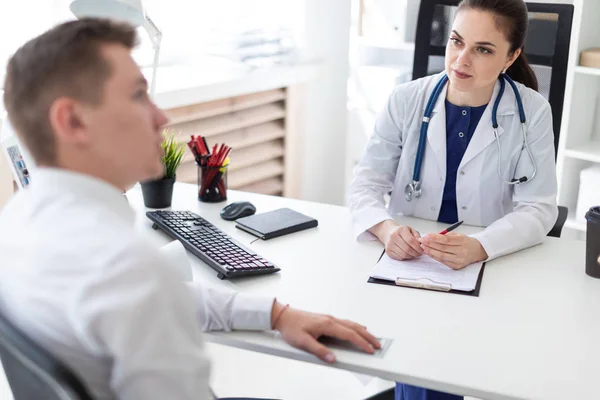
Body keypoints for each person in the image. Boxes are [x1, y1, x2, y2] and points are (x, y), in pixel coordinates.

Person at [0, 18, 381, 400]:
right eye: (137, 96)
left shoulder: (18, 224)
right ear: (73, 121)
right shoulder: (127, 268)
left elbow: (161, 298)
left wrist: (276, 314)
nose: (160, 117)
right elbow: (146, 291)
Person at [348, 0, 557, 399]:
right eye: (457, 41)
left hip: (487, 271)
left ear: (511, 56)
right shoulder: (406, 100)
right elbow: (365, 185)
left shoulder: (532, 112)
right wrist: (386, 227)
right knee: (418, 355)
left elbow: (539, 207)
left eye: (483, 49)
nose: (461, 60)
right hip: (407, 267)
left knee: (431, 359)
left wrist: (480, 245)